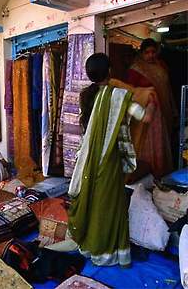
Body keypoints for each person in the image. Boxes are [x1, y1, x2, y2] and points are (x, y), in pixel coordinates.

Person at [68, 53, 156, 267]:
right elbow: (145, 117)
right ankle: (107, 251)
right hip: (110, 160)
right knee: (110, 205)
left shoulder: (87, 96)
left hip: (89, 157)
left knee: (93, 200)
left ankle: (90, 245)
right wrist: (152, 101)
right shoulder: (119, 96)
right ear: (109, 71)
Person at [126, 38, 174, 177]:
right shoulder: (135, 70)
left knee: (160, 144)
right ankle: (149, 175)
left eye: (153, 52)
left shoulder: (161, 66)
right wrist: (147, 94)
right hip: (144, 114)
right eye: (147, 52)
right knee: (146, 145)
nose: (151, 55)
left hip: (160, 113)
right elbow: (130, 92)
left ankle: (161, 174)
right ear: (141, 53)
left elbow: (168, 89)